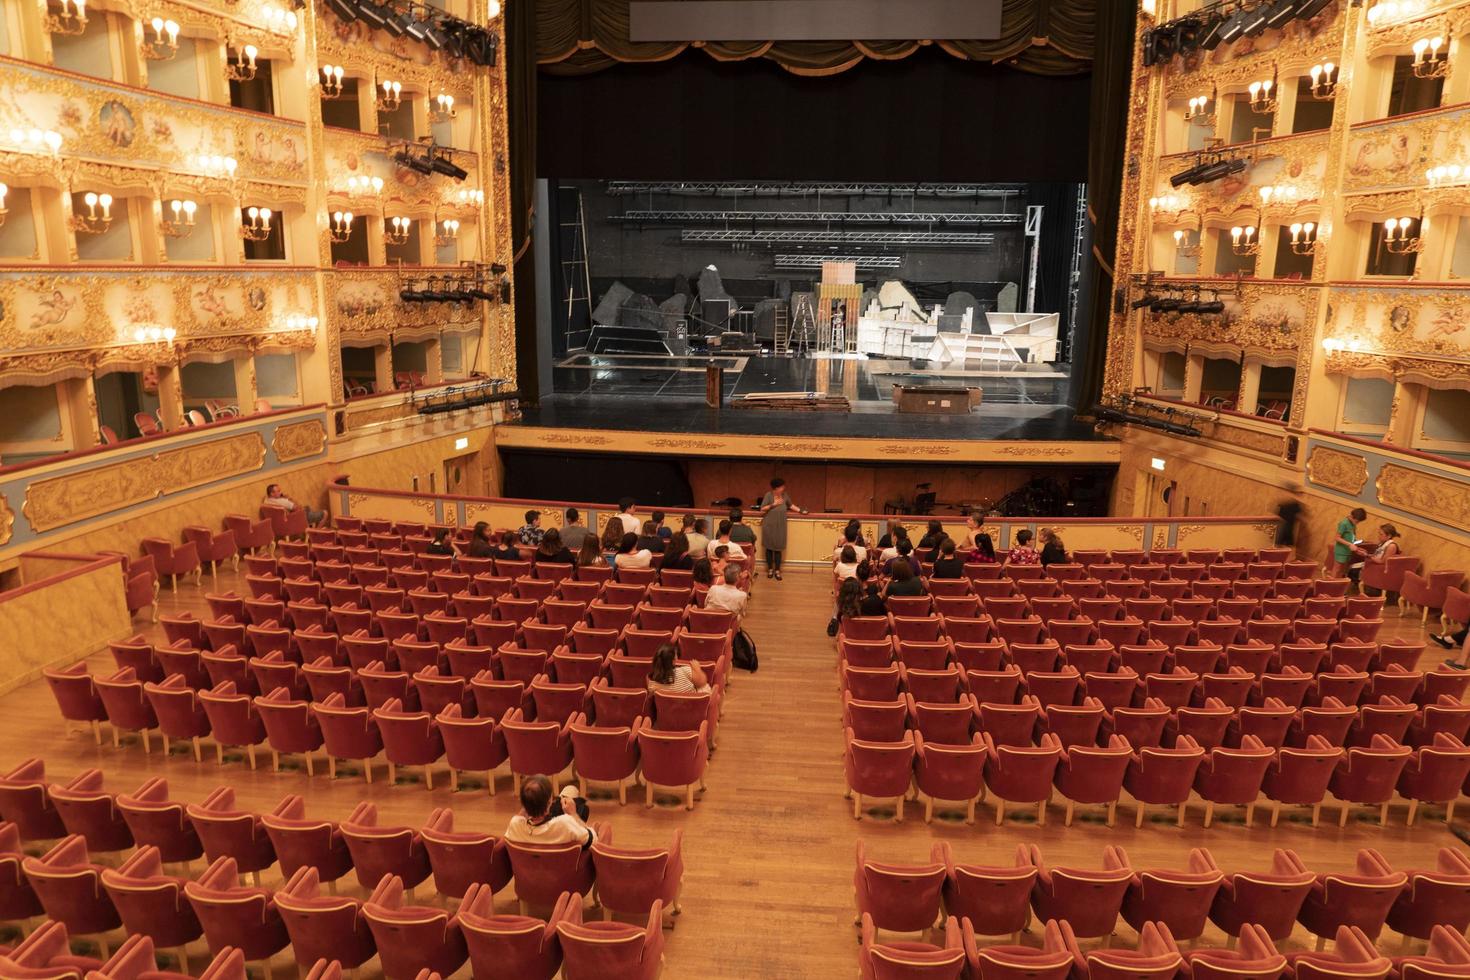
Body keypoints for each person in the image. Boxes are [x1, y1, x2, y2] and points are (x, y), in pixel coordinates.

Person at [504, 774, 596, 847]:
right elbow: (593, 841)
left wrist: (529, 801)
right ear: (549, 802)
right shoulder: (565, 823)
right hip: (565, 867)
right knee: (603, 827)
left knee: (570, 789)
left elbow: (518, 818)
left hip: (530, 867)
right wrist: (573, 814)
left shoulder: (515, 825)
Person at [757, 478, 806, 581]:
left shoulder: (785, 495)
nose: (784, 488)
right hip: (769, 525)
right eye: (782, 486)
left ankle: (777, 570)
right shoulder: (768, 495)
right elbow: (762, 508)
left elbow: (790, 505)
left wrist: (801, 510)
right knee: (769, 548)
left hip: (781, 526)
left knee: (778, 548)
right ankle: (770, 569)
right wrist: (773, 504)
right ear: (776, 488)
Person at [1353, 523, 1401, 590]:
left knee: (1353, 571)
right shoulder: (1382, 543)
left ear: (1389, 536)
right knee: (1351, 568)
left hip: (1380, 569)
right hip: (1374, 565)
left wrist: (1367, 555)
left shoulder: (1391, 546)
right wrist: (1365, 553)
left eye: (1381, 534)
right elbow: (1376, 555)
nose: (1379, 536)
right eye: (1379, 533)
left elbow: (1382, 561)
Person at [1331, 507, 1368, 578]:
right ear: (1352, 516)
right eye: (1357, 521)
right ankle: (1331, 585)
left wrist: (1358, 547)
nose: (1357, 523)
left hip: (1348, 550)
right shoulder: (1344, 523)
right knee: (1337, 569)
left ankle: (1337, 584)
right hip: (1341, 550)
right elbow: (1337, 538)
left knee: (1342, 570)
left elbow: (1351, 537)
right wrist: (1349, 544)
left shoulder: (1352, 524)